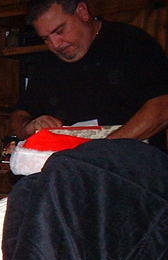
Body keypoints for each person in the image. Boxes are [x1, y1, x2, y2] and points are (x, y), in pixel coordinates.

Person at [9, 0, 168, 150]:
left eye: (59, 31)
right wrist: (28, 125)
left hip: (133, 161)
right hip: (68, 163)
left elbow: (162, 106)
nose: (55, 44)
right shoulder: (45, 65)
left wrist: (101, 149)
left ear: (82, 12)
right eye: (46, 39)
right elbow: (19, 116)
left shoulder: (131, 43)